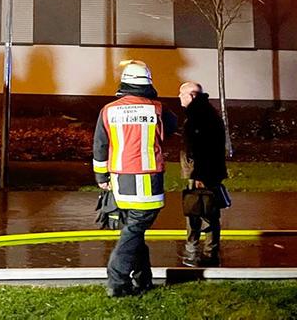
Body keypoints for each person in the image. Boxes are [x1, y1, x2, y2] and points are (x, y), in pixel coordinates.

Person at [92, 60, 177, 297]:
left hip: (120, 180)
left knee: (134, 229)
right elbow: (171, 127)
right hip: (149, 180)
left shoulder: (108, 110)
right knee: (134, 231)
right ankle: (117, 282)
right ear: (149, 83)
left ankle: (143, 279)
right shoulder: (158, 109)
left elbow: (100, 145)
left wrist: (101, 176)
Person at [178, 81, 228, 267]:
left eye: (181, 94)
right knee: (208, 212)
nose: (179, 98)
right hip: (207, 173)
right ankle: (210, 252)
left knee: (198, 213)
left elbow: (201, 149)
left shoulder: (198, 116)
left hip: (200, 174)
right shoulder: (208, 113)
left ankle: (198, 253)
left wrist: (199, 176)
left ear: (191, 96)